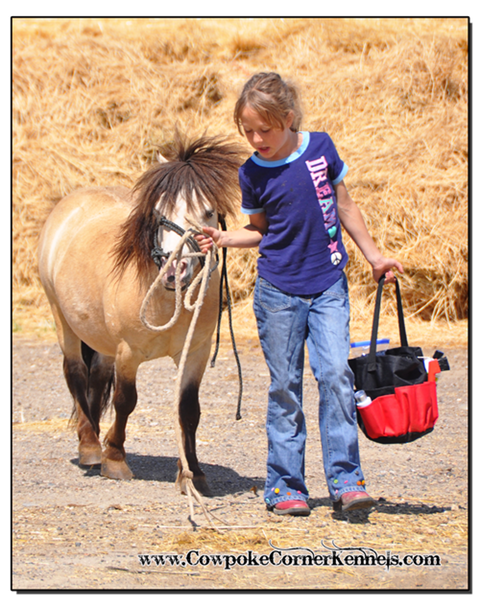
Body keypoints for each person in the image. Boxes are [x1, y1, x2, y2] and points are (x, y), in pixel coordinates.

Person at [196, 72, 403, 516]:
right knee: (285, 388)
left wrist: (375, 257)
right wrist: (225, 238)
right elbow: (260, 231)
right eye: (247, 131)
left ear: (288, 118)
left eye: (264, 129)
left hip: (328, 285)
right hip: (278, 294)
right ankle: (286, 486)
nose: (255, 138)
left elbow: (345, 206)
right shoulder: (250, 172)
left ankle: (347, 480)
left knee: (335, 376)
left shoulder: (321, 148)